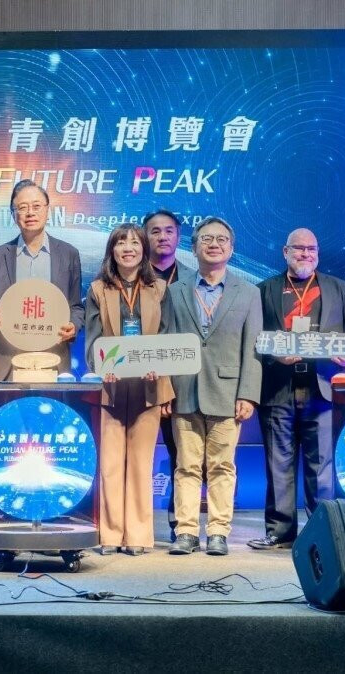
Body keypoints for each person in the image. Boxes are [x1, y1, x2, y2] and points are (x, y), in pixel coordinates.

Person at [248, 228, 345, 551]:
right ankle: (280, 532)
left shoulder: (339, 289)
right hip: (278, 387)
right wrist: (274, 354)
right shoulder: (263, 290)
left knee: (321, 466)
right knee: (278, 464)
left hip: (320, 387)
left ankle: (321, 532)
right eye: (298, 249)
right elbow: (254, 338)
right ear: (285, 252)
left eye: (311, 249)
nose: (305, 254)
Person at [163, 217, 262, 556]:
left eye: (221, 239)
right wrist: (165, 389)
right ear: (194, 248)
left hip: (228, 392)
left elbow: (253, 348)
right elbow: (166, 341)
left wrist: (248, 393)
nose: (214, 244)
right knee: (186, 466)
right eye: (206, 239)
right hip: (184, 390)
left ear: (231, 249)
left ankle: (219, 531)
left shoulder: (249, 292)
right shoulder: (175, 291)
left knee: (222, 466)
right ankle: (186, 532)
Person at [85, 225, 174, 555]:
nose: (128, 248)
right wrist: (102, 366)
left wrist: (158, 365)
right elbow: (92, 339)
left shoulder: (159, 289)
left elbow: (167, 336)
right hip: (111, 387)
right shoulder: (98, 289)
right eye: (121, 243)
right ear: (112, 250)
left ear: (144, 250)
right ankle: (110, 534)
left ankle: (137, 535)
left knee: (140, 464)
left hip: (148, 387)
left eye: (135, 242)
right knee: (110, 464)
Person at [0, 179, 83, 380]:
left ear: (47, 210)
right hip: (8, 359)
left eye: (36, 206)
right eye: (22, 207)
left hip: (54, 356)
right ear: (13, 214)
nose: (30, 213)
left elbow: (76, 306)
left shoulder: (68, 254)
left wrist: (74, 325)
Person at [144, 208, 194, 542]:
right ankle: (133, 525)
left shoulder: (192, 279)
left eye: (169, 231)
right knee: (137, 454)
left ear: (178, 236)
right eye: (155, 231)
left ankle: (181, 525)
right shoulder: (132, 276)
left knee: (182, 455)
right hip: (140, 379)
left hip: (182, 383)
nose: (162, 237)